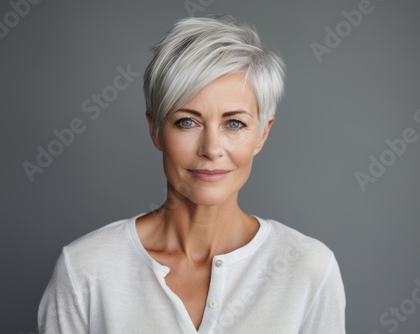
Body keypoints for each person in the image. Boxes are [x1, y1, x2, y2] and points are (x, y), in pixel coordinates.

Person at [37, 15, 346, 334]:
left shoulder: (309, 269)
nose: (211, 148)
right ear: (155, 129)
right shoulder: (85, 270)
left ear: (262, 134)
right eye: (187, 122)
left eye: (234, 124)